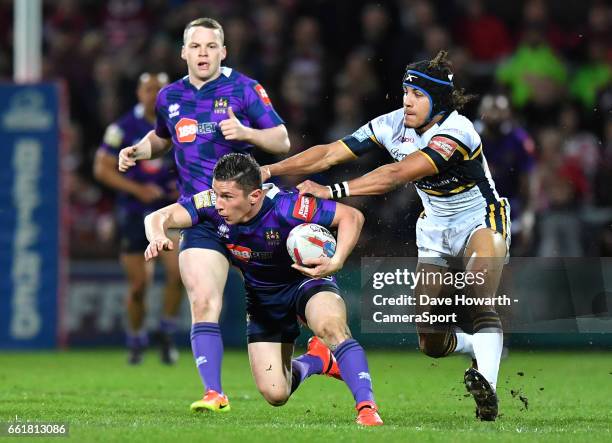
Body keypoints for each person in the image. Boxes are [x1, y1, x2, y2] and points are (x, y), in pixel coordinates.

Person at [262, 50, 509, 421]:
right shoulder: (392, 124)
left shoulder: (458, 131)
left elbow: (398, 174)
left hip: (481, 219)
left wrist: (334, 192)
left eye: (418, 95)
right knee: (430, 339)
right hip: (435, 229)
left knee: (479, 293)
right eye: (406, 91)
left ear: (438, 100)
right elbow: (330, 154)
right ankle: (477, 346)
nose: (407, 101)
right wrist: (269, 170)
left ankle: (486, 389)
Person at [117, 18, 290, 410]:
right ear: (183, 52)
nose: (203, 54)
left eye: (211, 47)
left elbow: (281, 140)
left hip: (250, 217)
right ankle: (214, 393)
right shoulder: (169, 96)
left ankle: (313, 359)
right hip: (202, 216)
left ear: (223, 52)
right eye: (195, 47)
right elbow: (162, 137)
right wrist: (138, 151)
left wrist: (247, 134)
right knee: (203, 301)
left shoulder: (244, 89)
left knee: (283, 310)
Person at [143, 153, 383, 426]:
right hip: (263, 299)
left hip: (306, 281)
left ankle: (366, 408)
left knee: (330, 327)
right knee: (276, 393)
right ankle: (316, 361)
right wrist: (158, 235)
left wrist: (337, 260)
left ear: (255, 196)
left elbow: (352, 216)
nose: (218, 204)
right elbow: (159, 216)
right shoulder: (210, 204)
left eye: (227, 197)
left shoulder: (288, 207)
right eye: (216, 193)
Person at [94, 72, 182, 365]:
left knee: (178, 272)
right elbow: (101, 169)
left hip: (171, 211)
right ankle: (135, 338)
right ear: (138, 92)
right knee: (139, 285)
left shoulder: (180, 122)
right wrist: (137, 189)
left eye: (159, 89)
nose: (153, 94)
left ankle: (167, 333)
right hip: (134, 213)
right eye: (148, 89)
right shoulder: (122, 128)